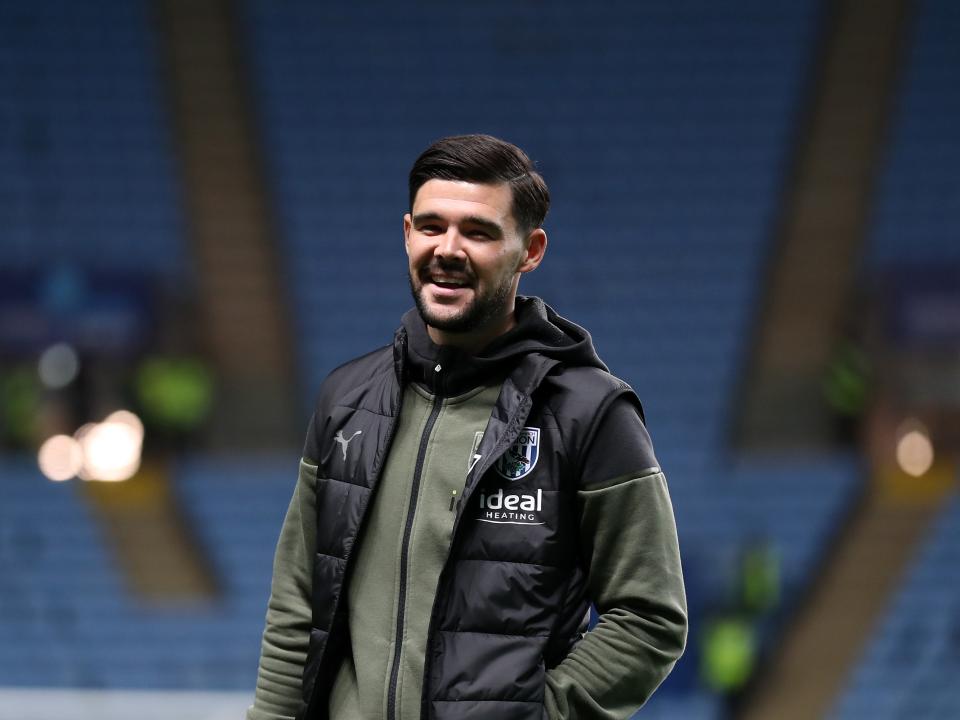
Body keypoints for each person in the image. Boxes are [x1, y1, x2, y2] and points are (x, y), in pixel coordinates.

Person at [247, 134, 687, 720]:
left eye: (478, 232)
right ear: (407, 234)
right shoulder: (345, 400)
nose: (447, 249)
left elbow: (649, 617)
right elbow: (298, 605)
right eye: (431, 227)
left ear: (529, 251)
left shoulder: (590, 413)